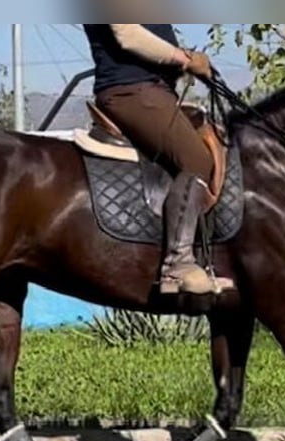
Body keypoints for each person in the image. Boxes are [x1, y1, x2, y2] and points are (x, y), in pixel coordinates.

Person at [83, 24, 235, 295]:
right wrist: (186, 59)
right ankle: (178, 265)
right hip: (131, 91)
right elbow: (128, 35)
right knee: (197, 160)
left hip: (155, 91)